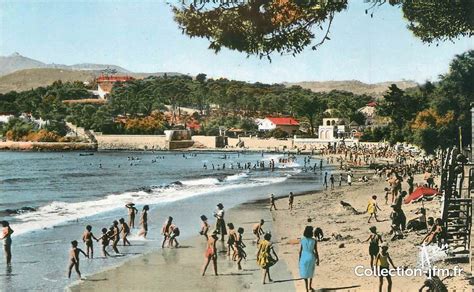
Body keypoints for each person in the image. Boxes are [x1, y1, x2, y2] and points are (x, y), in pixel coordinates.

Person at [299, 226, 319, 292]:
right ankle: (310, 286)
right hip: (311, 256)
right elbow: (316, 251)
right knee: (311, 272)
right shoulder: (314, 240)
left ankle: (306, 289)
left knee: (305, 273)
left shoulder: (302, 239)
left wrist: (299, 259)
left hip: (304, 256)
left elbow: (300, 250)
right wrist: (318, 259)